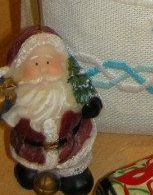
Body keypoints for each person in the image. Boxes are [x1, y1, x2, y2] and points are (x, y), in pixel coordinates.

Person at [0, 25, 102, 195]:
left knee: (78, 184)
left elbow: (87, 95)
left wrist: (91, 106)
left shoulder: (71, 89)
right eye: (35, 63)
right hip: (32, 150)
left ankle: (71, 175)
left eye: (49, 61)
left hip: (69, 148)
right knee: (27, 174)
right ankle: (31, 169)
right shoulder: (17, 97)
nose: (43, 69)